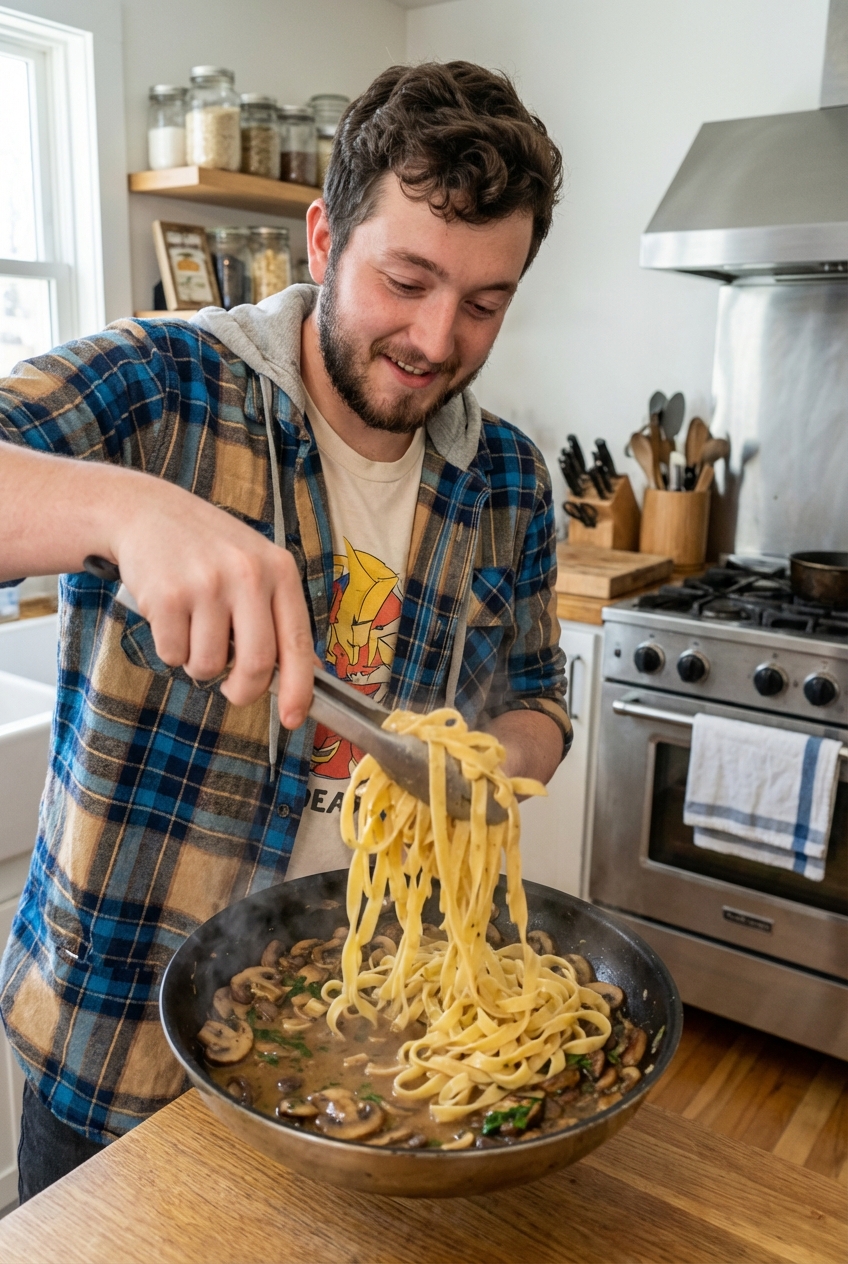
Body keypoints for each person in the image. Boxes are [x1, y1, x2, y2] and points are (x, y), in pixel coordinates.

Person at [0, 60, 568, 1200]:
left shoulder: (506, 476)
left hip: (393, 1052)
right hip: (120, 1048)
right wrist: (124, 506)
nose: (433, 337)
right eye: (404, 279)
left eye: (483, 303)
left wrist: (482, 767)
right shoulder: (165, 390)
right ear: (320, 241)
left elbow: (539, 698)